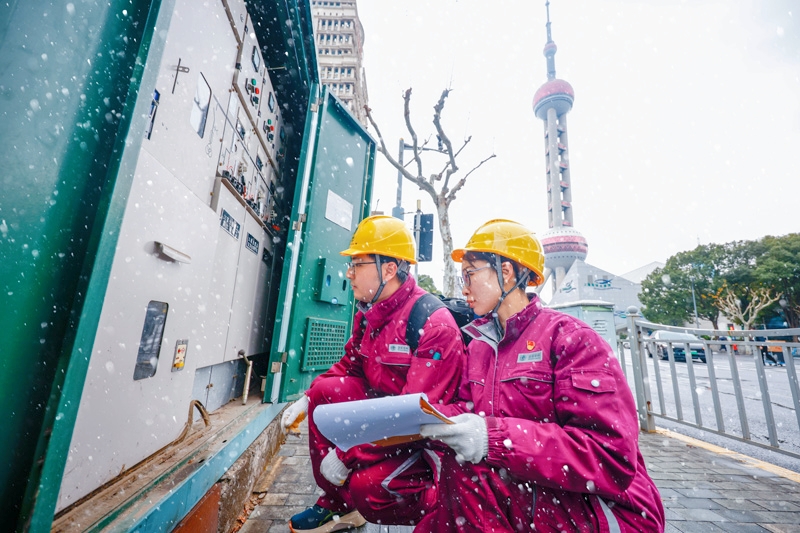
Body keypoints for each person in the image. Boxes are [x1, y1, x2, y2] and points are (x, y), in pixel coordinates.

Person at [417, 219, 665, 532]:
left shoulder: (572, 338)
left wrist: (494, 439)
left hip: (606, 508)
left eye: (469, 273)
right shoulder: (480, 347)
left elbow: (610, 458)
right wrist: (422, 419)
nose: (463, 286)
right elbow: (470, 411)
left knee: (469, 472)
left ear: (505, 272)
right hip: (538, 491)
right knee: (454, 480)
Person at [282, 215, 466, 532]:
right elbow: (350, 367)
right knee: (326, 392)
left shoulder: (432, 323)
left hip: (424, 440)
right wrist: (308, 397)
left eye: (358, 264)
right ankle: (337, 506)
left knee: (370, 488)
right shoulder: (370, 314)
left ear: (389, 269)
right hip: (385, 422)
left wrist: (348, 454)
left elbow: (416, 416)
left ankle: (444, 503)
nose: (349, 273)